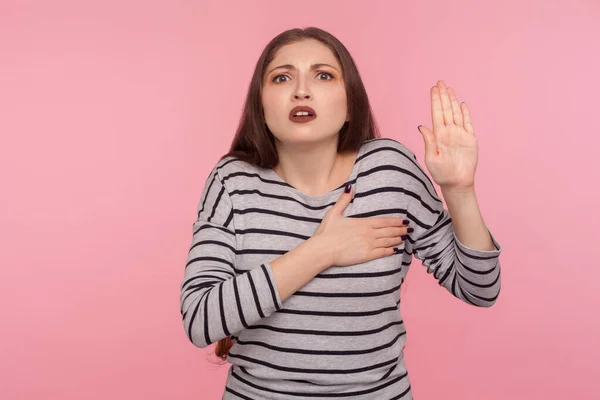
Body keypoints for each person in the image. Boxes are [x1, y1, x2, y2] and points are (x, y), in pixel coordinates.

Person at [180, 26, 502, 400]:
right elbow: (200, 320)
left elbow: (481, 289)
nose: (302, 90)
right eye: (282, 77)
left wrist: (459, 191)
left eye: (323, 75)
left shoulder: (389, 169)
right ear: (261, 104)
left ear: (351, 103)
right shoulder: (232, 181)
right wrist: (323, 251)